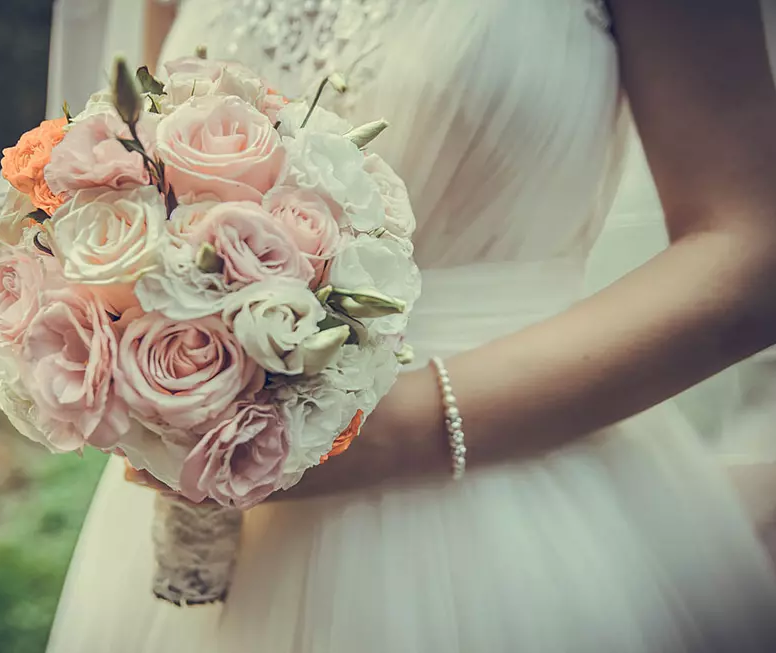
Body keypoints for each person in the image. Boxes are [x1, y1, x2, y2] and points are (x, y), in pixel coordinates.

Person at [44, 0, 776, 651]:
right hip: (220, 493)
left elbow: (751, 248)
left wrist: (397, 429)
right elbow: (141, 164)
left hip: (519, 509)